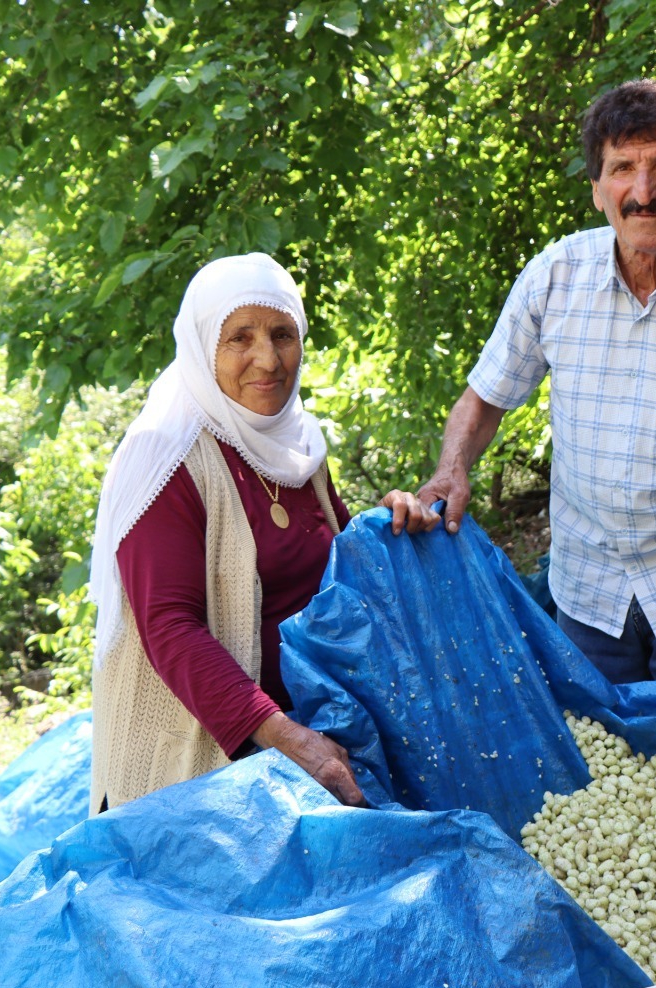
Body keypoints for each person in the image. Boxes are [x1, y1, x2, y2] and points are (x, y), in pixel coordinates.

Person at [386, 80, 656, 741]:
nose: (642, 191)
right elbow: (484, 398)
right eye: (623, 168)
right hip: (588, 590)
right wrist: (452, 470)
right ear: (597, 187)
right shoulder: (556, 276)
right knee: (604, 787)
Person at [89, 252, 433, 813]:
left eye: (282, 334)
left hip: (303, 736)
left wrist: (390, 525)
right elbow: (170, 628)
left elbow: (338, 571)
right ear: (204, 347)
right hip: (196, 769)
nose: (267, 359)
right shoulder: (167, 455)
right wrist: (285, 736)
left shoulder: (296, 447)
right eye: (239, 338)